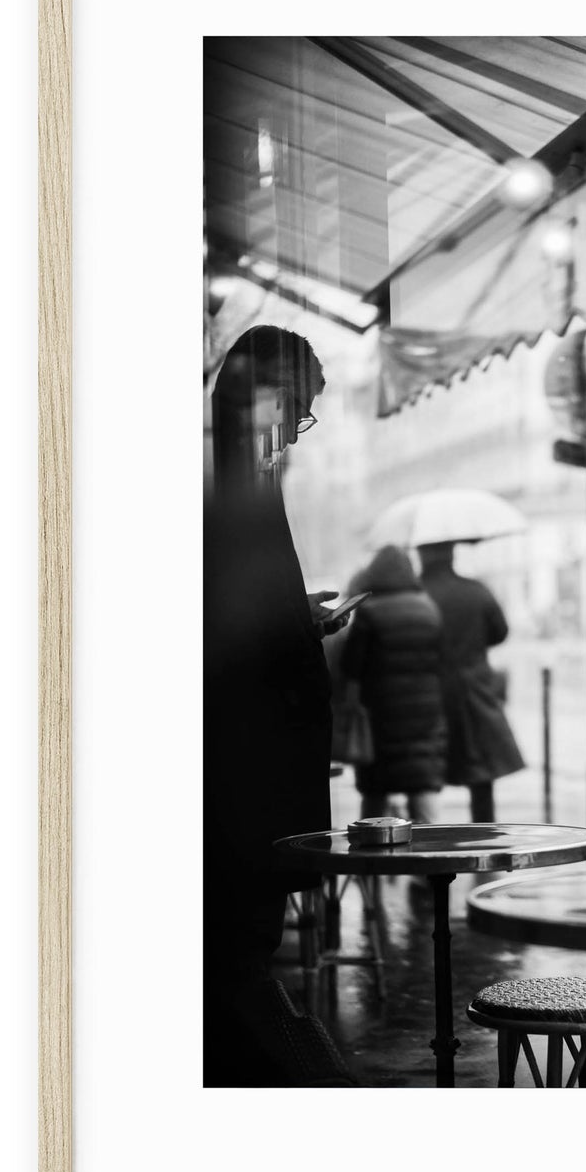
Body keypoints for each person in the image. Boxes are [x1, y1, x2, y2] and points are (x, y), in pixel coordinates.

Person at [203, 325, 354, 1086]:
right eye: (296, 409)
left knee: (241, 955)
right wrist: (295, 623)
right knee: (237, 958)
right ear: (263, 395)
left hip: (249, 786)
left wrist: (299, 616)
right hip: (243, 787)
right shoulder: (227, 487)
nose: (296, 430)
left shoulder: (240, 478)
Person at [417, 541, 524, 820]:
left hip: (428, 690)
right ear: (451, 554)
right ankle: (484, 831)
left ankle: (424, 834)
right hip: (473, 688)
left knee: (423, 773)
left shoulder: (415, 594)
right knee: (480, 770)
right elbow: (500, 632)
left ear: (421, 556)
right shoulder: (475, 590)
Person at [339, 545, 447, 821]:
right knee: (422, 783)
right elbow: (441, 659)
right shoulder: (428, 607)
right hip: (425, 711)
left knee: (376, 791)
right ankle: (429, 842)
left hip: (381, 712)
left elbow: (352, 665)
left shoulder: (369, 611)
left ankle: (371, 842)